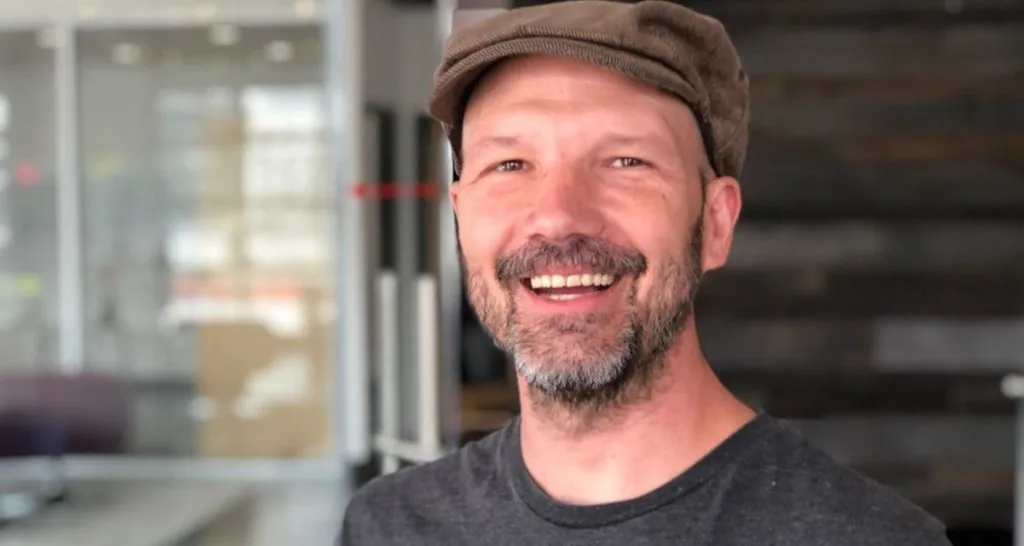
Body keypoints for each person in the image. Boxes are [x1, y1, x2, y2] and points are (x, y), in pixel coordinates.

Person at [339, 1, 953, 544]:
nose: (556, 217)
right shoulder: (389, 526)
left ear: (715, 222)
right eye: (509, 164)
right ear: (460, 215)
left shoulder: (867, 537)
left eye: (624, 161)